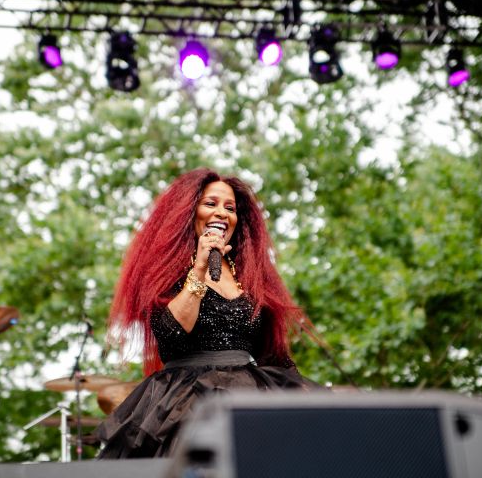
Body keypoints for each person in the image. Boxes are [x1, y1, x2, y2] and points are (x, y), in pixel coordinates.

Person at [95, 168, 317, 458]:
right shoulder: (167, 271)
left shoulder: (249, 275)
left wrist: (306, 398)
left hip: (249, 397)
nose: (222, 214)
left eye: (230, 208)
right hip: (186, 402)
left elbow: (271, 353)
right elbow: (170, 336)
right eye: (210, 204)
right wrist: (199, 268)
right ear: (189, 212)